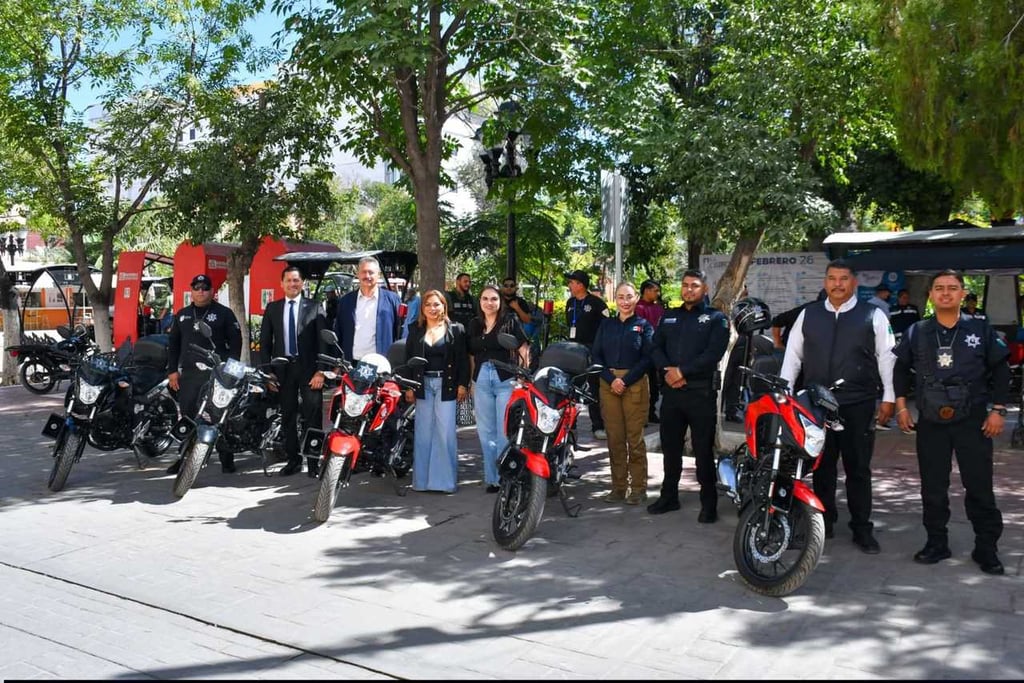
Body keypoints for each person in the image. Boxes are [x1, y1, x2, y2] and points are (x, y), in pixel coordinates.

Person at [894, 270, 1009, 575]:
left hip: (972, 420)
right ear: (930, 294)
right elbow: (901, 369)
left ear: (962, 293)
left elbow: (1000, 370)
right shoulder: (917, 331)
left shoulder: (981, 329)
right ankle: (936, 543)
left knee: (979, 486)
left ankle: (987, 548)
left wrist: (998, 410)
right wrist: (902, 407)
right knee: (933, 487)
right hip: (931, 421)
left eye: (952, 288)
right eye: (939, 288)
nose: (946, 293)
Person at [780, 259, 896, 553]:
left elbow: (887, 357)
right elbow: (793, 357)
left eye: (844, 279)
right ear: (825, 282)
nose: (838, 284)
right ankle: (825, 521)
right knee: (822, 467)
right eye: (832, 278)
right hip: (818, 405)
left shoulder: (873, 315)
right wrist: (785, 394)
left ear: (854, 282)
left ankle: (862, 528)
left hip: (857, 403)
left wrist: (890, 397)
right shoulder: (810, 314)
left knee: (858, 468)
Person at [647, 269, 729, 521]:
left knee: (703, 452)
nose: (688, 290)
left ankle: (709, 504)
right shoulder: (669, 316)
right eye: (685, 285)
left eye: (694, 285)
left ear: (705, 288)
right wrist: (667, 371)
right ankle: (669, 496)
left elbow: (713, 354)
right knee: (671, 450)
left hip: (700, 395)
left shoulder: (717, 319)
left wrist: (682, 371)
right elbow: (655, 347)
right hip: (671, 394)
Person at [165, 274, 242, 474]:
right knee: (189, 416)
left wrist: (231, 373)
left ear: (212, 291)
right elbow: (173, 345)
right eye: (197, 287)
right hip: (190, 375)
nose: (201, 291)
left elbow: (236, 344)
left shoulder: (224, 313)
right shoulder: (182, 315)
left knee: (221, 416)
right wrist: (172, 371)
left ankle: (226, 457)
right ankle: (184, 458)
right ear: (191, 290)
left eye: (205, 288)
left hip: (217, 375)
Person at [260, 266, 327, 477]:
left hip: (309, 370)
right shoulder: (272, 308)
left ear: (302, 283)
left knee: (313, 416)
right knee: (288, 415)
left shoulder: (315, 307)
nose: (292, 284)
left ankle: (314, 462)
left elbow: (324, 342)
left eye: (296, 280)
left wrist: (321, 371)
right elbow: (264, 343)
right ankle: (293, 460)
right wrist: (268, 372)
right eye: (288, 280)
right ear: (282, 284)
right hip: (282, 370)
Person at [592, 282, 654, 505]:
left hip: (634, 384)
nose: (625, 301)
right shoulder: (606, 325)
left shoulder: (644, 326)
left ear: (636, 298)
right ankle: (618, 486)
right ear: (615, 299)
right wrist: (612, 380)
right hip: (609, 385)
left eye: (629, 296)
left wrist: (625, 380)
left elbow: (648, 358)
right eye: (620, 297)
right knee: (615, 438)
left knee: (634, 439)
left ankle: (638, 487)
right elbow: (596, 356)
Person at [404, 290, 471, 493]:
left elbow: (463, 360)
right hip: (422, 385)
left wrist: (463, 385)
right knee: (423, 433)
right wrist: (409, 386)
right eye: (428, 305)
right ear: (422, 308)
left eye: (436, 304)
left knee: (446, 433)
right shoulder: (415, 330)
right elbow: (408, 359)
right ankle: (422, 481)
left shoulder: (456, 330)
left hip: (446, 385)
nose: (432, 308)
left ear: (444, 306)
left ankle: (445, 482)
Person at [467, 285, 530, 492]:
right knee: (485, 431)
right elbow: (471, 355)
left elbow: (523, 348)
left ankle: (506, 476)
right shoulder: (475, 324)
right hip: (482, 378)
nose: (489, 303)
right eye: (485, 299)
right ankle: (492, 478)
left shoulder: (509, 321)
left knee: (504, 430)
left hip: (505, 378)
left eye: (493, 299)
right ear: (480, 301)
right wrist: (470, 381)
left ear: (500, 301)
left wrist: (523, 375)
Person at [564, 269, 608, 438]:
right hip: (573, 350)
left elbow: (606, 326)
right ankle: (569, 423)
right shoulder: (570, 303)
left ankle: (598, 425)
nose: (570, 285)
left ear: (580, 285)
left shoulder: (596, 303)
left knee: (593, 387)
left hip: (591, 350)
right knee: (572, 386)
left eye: (572, 282)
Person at [335, 256, 402, 362]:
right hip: (352, 363)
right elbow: (339, 332)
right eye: (363, 272)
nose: (367, 276)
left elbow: (400, 331)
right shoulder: (346, 301)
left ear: (378, 275)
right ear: (358, 274)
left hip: (382, 364)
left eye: (371, 272)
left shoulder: (392, 300)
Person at [635, 280, 665, 423]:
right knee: (642, 384)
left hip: (657, 351)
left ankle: (651, 412)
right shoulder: (638, 308)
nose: (657, 294)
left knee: (654, 384)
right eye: (655, 290)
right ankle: (641, 414)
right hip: (643, 352)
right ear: (646, 290)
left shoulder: (659, 308)